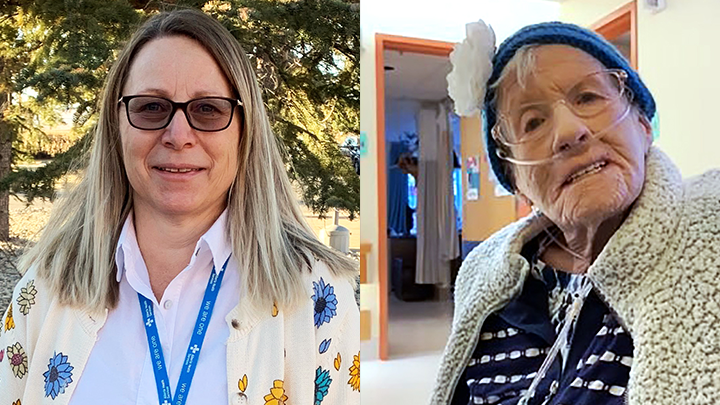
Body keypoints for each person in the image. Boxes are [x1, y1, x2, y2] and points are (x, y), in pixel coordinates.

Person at [0, 9, 359, 405]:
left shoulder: (316, 295)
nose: (179, 135)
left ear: (245, 128)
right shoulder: (47, 288)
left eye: (208, 109)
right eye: (151, 107)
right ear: (117, 125)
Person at [432, 21, 720, 405]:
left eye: (587, 97)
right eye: (533, 122)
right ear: (515, 180)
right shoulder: (482, 270)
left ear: (643, 124)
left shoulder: (710, 224)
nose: (569, 131)